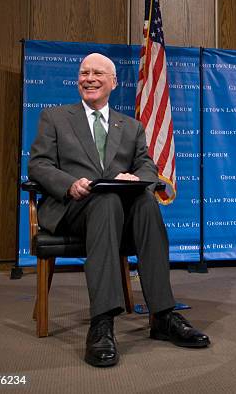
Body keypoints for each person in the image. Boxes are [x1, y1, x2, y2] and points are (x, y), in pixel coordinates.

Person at [28, 53, 210, 367]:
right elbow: (38, 164)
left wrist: (136, 178)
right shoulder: (55, 117)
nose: (89, 79)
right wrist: (70, 183)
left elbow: (148, 168)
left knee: (144, 200)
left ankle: (162, 315)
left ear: (113, 82)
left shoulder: (131, 127)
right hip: (71, 208)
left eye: (98, 73)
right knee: (106, 199)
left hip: (114, 214)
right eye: (84, 73)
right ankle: (102, 322)